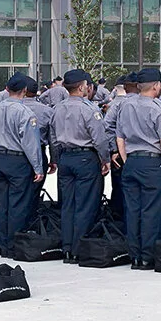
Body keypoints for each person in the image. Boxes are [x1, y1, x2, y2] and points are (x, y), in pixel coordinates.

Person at [111, 67, 161, 270]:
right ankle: (148, 256)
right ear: (156, 86)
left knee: (133, 210)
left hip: (132, 162)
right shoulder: (159, 109)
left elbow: (120, 138)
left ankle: (135, 256)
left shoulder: (125, 106)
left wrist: (127, 160)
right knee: (152, 211)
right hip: (152, 163)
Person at [50, 69, 109, 263]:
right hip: (85, 157)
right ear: (83, 87)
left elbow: (53, 139)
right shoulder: (89, 109)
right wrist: (105, 159)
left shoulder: (57, 108)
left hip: (65, 157)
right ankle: (79, 248)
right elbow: (99, 139)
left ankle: (67, 248)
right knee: (85, 205)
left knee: (67, 204)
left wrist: (56, 159)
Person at [0, 74, 45, 257]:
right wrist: (38, 167)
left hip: (0, 159)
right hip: (18, 160)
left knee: (2, 205)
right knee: (18, 205)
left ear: (7, 89)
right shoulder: (25, 112)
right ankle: (14, 245)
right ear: (25, 90)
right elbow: (30, 143)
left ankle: (2, 244)